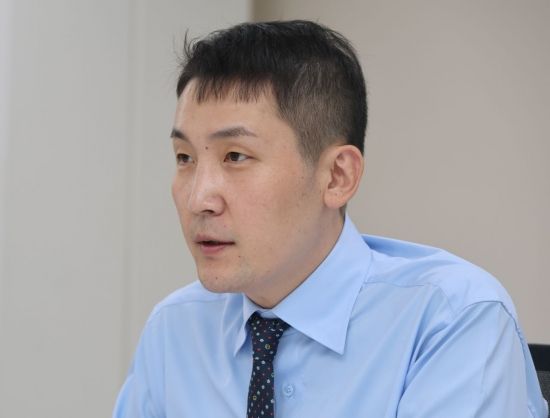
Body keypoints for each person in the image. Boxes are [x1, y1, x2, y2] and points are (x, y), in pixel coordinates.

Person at [113, 20, 548, 418]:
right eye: (184, 157)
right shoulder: (175, 329)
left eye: (236, 156)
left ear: (338, 176)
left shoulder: (452, 320)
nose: (198, 199)